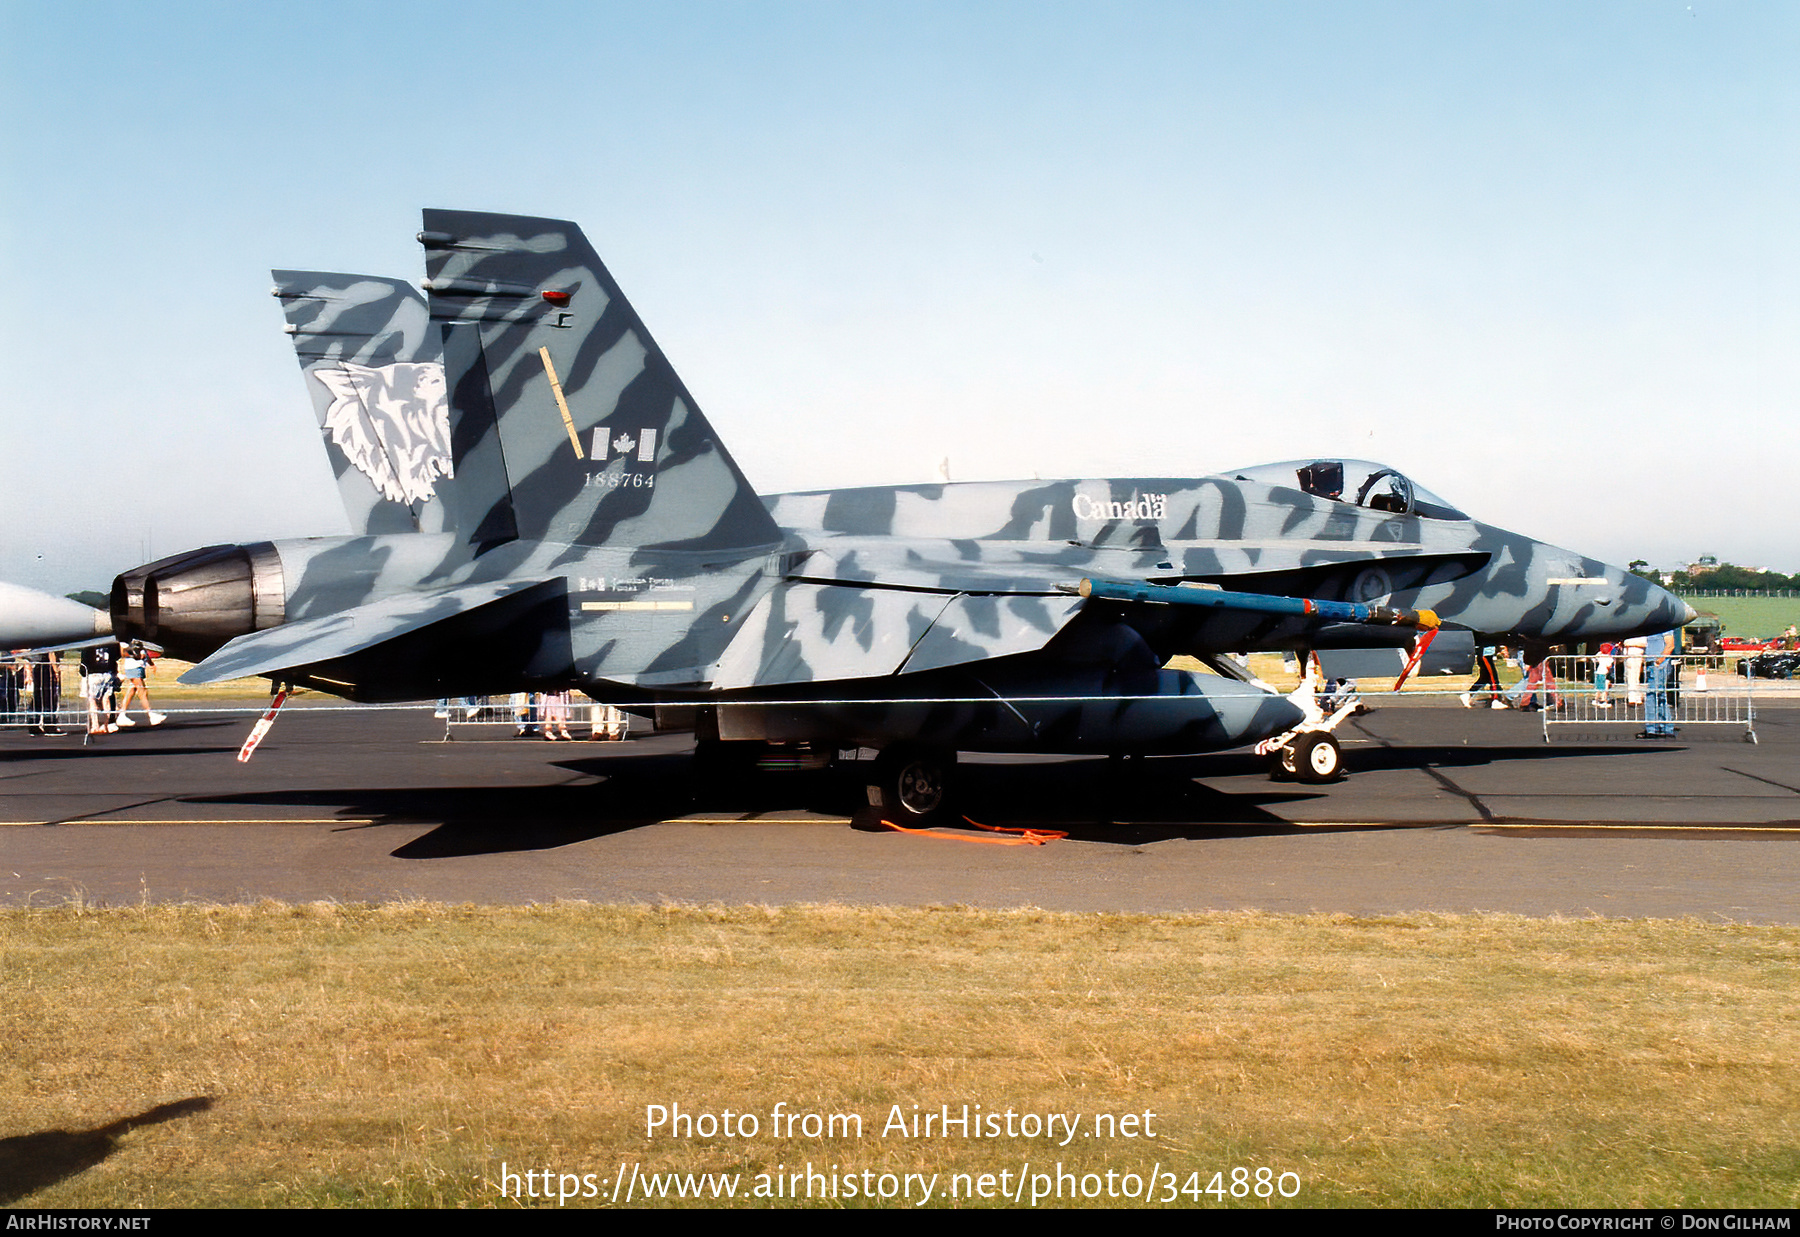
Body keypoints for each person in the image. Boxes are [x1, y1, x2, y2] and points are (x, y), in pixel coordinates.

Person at [113, 641, 167, 727]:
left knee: (132, 690)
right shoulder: (126, 642)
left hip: (140, 667)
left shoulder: (139, 640)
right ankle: (151, 715)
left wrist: (151, 664)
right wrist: (135, 655)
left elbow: (144, 652)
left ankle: (122, 715)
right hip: (133, 668)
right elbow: (124, 652)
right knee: (142, 692)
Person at [1640, 629, 1679, 738]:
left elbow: (1670, 645)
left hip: (1658, 664)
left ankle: (1653, 728)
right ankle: (1664, 727)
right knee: (1659, 695)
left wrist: (1659, 661)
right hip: (1651, 663)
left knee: (1653, 695)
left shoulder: (1665, 627)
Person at [80, 641, 120, 735]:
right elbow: (116, 656)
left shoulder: (89, 642)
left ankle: (95, 725)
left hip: (93, 673)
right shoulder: (110, 641)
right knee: (106, 699)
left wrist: (83, 671)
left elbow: (85, 658)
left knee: (92, 700)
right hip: (107, 672)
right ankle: (107, 724)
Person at [1462, 643, 1504, 708]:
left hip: (1486, 654)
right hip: (1485, 655)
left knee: (1484, 679)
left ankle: (1468, 695)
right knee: (1493, 677)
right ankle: (1496, 700)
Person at [1623, 634, 1647, 707]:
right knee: (1631, 676)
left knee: (1634, 676)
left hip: (1636, 655)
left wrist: (1629, 643)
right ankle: (1635, 696)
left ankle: (1634, 697)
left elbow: (1644, 643)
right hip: (1630, 656)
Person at [1592, 643, 1614, 709]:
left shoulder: (1600, 656)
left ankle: (1596, 700)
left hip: (1598, 672)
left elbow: (1594, 660)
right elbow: (1609, 666)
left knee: (1598, 687)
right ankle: (1603, 701)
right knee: (1605, 687)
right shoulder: (1609, 658)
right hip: (1604, 674)